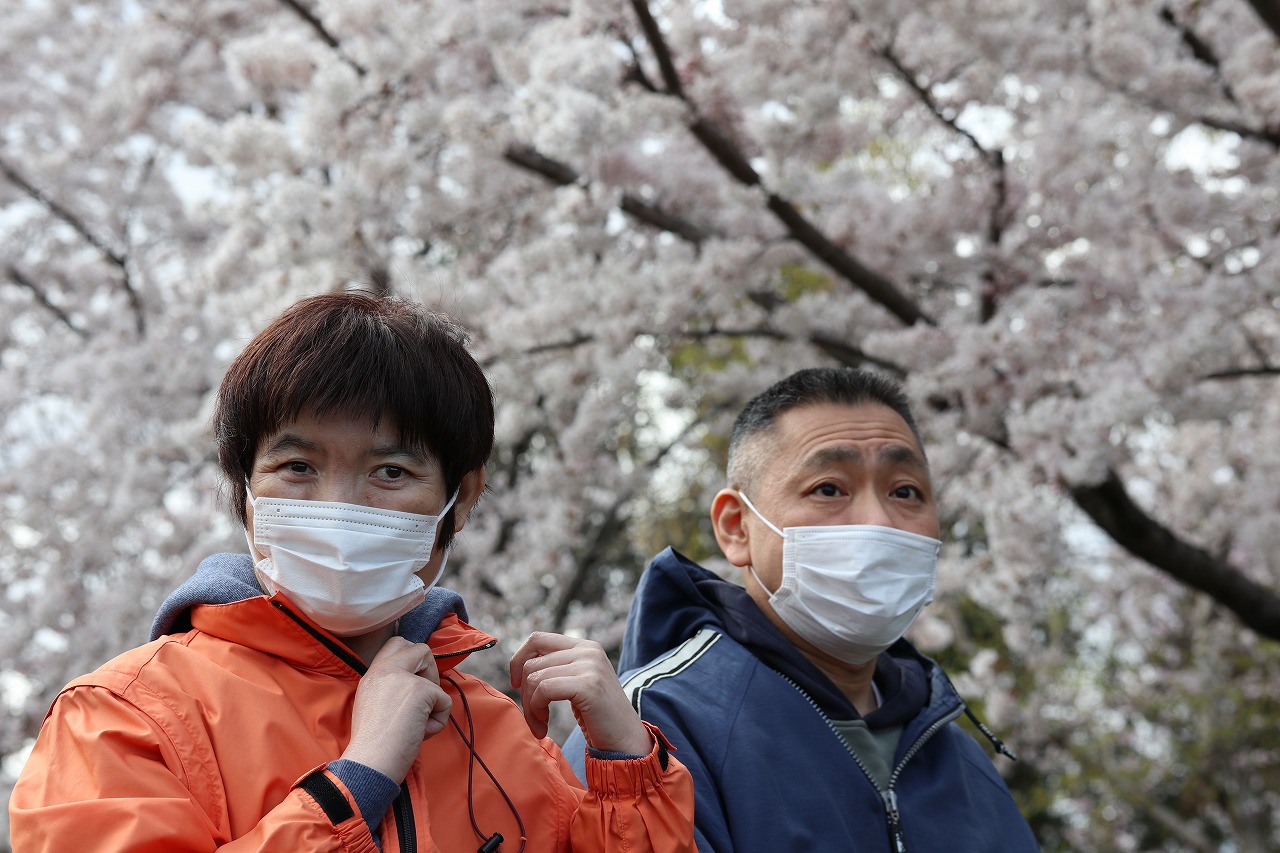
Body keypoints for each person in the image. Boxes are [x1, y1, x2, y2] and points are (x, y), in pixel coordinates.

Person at [9, 291, 693, 852]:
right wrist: (354, 785)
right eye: (297, 467)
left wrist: (625, 765)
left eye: (390, 472)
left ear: (464, 496)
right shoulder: (121, 717)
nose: (339, 507)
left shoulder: (499, 732)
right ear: (244, 489)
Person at [566, 367, 1038, 851]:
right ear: (736, 527)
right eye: (829, 488)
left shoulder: (960, 759)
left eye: (905, 492)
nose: (879, 522)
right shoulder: (643, 737)